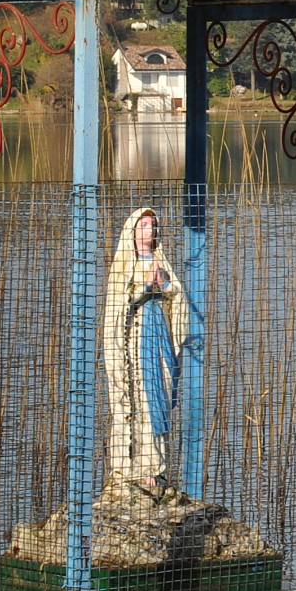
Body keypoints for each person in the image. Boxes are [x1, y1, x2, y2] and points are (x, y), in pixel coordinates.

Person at [103, 205, 188, 493]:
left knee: (157, 399)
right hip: (133, 344)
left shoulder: (160, 260)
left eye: (152, 225)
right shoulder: (124, 265)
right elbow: (118, 303)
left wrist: (163, 285)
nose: (148, 231)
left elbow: (177, 295)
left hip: (157, 338)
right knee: (135, 398)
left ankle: (153, 467)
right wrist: (143, 286)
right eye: (143, 226)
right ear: (132, 231)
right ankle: (128, 468)